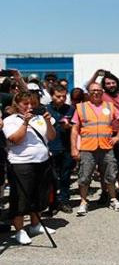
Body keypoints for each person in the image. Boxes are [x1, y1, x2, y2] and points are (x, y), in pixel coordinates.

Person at [3, 91, 57, 245]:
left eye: (32, 103)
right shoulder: (11, 120)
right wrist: (25, 123)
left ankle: (35, 224)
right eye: (25, 103)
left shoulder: (40, 118)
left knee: (40, 194)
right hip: (21, 163)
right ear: (17, 104)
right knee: (21, 197)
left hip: (42, 160)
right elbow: (15, 140)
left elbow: (51, 137)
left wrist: (47, 122)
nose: (29, 106)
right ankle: (19, 230)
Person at [71, 82, 119, 215]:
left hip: (106, 147)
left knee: (111, 175)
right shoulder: (81, 107)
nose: (96, 93)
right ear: (88, 93)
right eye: (93, 90)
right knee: (84, 176)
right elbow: (74, 129)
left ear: (102, 92)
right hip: (87, 147)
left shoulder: (109, 106)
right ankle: (83, 202)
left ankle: (113, 199)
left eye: (98, 90)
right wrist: (74, 148)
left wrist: (118, 136)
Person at [95, 70, 119, 202]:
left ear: (116, 83)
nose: (111, 85)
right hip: (104, 135)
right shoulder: (101, 97)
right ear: (103, 85)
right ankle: (105, 191)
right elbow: (89, 86)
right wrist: (97, 74)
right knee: (103, 165)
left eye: (113, 83)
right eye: (107, 83)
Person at [46, 84, 75, 214]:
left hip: (67, 148)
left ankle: (64, 201)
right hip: (50, 148)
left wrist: (69, 127)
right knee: (51, 178)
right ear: (52, 96)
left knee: (65, 176)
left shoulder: (70, 109)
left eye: (64, 96)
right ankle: (51, 203)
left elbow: (76, 128)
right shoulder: (45, 110)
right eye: (58, 96)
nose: (62, 99)